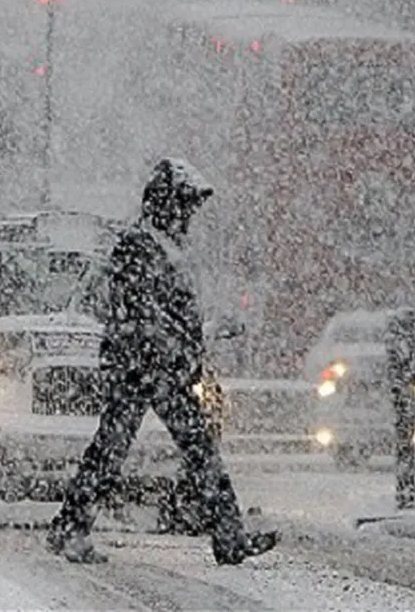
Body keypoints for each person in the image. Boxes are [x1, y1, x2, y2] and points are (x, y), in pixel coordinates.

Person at [46, 158, 278, 565]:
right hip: (147, 366)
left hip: (153, 366)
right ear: (167, 205)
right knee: (188, 448)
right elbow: (142, 311)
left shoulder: (161, 247)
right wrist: (174, 347)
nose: (189, 216)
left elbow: (162, 314)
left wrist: (192, 340)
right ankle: (227, 535)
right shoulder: (140, 246)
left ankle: (72, 525)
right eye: (185, 207)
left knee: (123, 448)